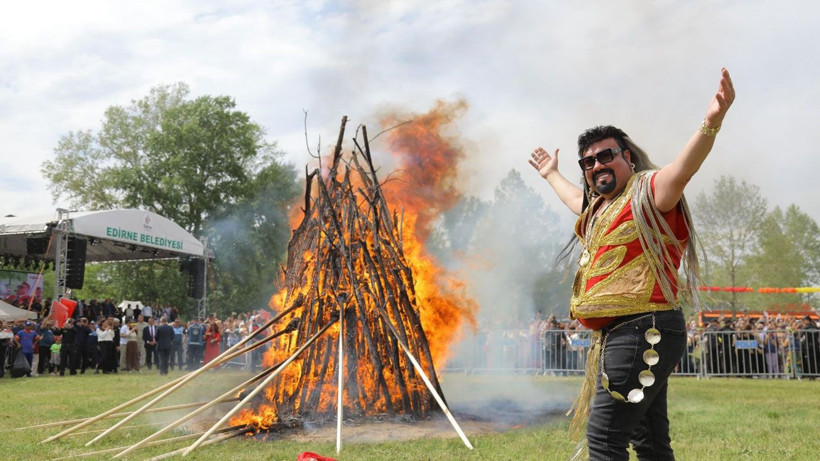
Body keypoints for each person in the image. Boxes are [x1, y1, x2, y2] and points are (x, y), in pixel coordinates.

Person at [528, 68, 734, 460]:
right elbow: (577, 201)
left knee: (605, 439)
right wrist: (552, 174)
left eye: (606, 156)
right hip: (627, 334)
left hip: (643, 330)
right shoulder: (599, 211)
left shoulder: (650, 192)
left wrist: (711, 123)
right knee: (650, 443)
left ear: (627, 158)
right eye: (587, 162)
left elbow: (682, 169)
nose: (595, 165)